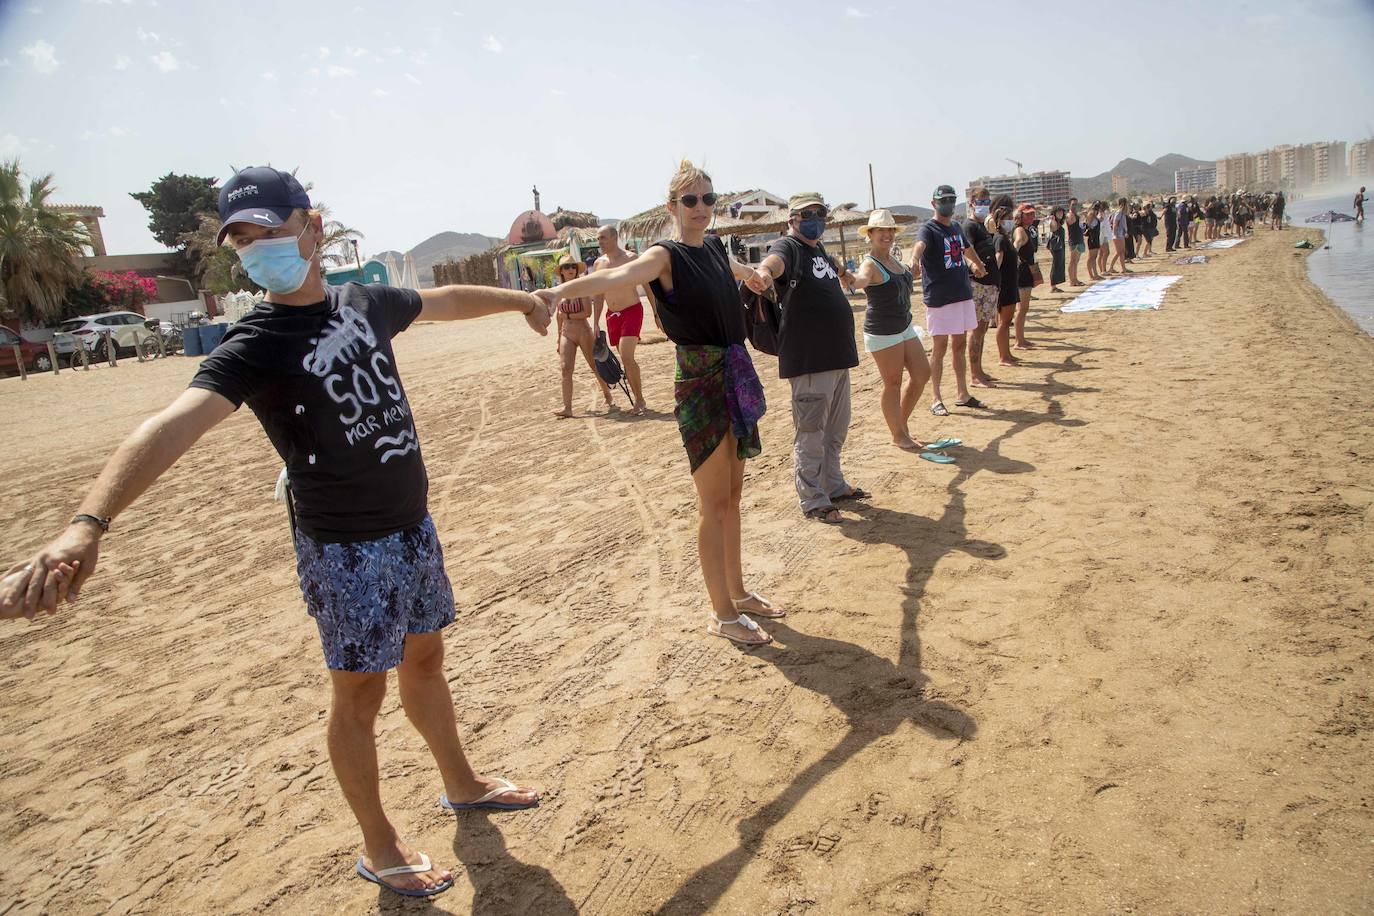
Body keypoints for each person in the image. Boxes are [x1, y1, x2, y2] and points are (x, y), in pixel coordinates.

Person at [0, 166, 547, 899]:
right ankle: (380, 846)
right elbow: (169, 425)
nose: (259, 250)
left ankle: (462, 782)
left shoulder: (365, 302)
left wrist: (525, 301)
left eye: (271, 232)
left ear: (313, 228)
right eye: (244, 241)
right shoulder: (257, 340)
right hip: (346, 550)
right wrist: (86, 525)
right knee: (358, 697)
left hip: (412, 526)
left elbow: (443, 300)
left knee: (427, 659)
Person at [539, 160, 778, 645]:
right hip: (700, 380)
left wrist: (753, 274)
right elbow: (617, 276)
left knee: (732, 496)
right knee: (713, 503)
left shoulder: (712, 245)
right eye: (690, 200)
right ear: (672, 206)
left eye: (708, 199)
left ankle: (738, 591)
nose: (701, 208)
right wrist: (559, 291)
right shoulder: (663, 255)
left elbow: (737, 269)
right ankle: (721, 613)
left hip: (732, 373)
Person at [752, 192, 865, 524]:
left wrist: (847, 275)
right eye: (807, 214)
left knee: (835, 429)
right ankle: (814, 498)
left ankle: (833, 483)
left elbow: (836, 269)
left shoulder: (819, 250)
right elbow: (773, 263)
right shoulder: (789, 247)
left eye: (820, 213)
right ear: (792, 220)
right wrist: (764, 275)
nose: (815, 218)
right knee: (812, 431)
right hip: (810, 358)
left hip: (836, 356)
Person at [848, 208, 943, 455]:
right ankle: (898, 434)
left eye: (890, 229)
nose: (887, 234)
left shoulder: (895, 260)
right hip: (882, 331)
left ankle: (899, 425)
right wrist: (847, 277)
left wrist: (914, 271)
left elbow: (905, 279)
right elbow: (860, 281)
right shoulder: (870, 263)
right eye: (880, 230)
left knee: (922, 373)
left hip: (903, 326)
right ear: (870, 234)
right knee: (892, 382)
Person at [910, 184, 989, 415]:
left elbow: (966, 248)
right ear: (934, 203)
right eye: (943, 200)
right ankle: (935, 398)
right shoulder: (929, 228)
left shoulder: (955, 226)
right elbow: (919, 246)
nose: (948, 204)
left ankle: (962, 394)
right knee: (939, 348)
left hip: (961, 294)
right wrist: (914, 260)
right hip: (940, 298)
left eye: (952, 200)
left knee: (960, 345)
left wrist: (977, 264)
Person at [591, 224, 657, 415]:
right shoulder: (598, 264)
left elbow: (648, 286)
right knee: (625, 358)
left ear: (614, 237)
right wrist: (595, 322)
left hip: (632, 311)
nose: (600, 242)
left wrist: (656, 312)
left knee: (627, 355)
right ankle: (639, 399)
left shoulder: (631, 259)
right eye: (598, 238)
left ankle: (640, 400)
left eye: (603, 237)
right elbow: (598, 295)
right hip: (612, 315)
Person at [552, 254, 615, 418]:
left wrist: (568, 316)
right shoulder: (559, 291)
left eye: (573, 266)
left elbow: (586, 312)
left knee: (594, 366)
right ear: (561, 272)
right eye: (566, 267)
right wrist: (559, 337)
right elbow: (559, 315)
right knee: (566, 369)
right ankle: (567, 408)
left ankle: (608, 395)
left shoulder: (582, 288)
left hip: (583, 331)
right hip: (566, 332)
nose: (570, 269)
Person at [962, 188, 1001, 387]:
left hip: (990, 284)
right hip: (977, 285)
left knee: (983, 329)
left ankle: (980, 371)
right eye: (981, 201)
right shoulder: (969, 226)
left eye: (987, 201)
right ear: (971, 203)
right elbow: (966, 252)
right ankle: (975, 375)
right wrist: (975, 266)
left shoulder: (985, 226)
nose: (985, 205)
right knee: (976, 331)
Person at [988, 198, 1021, 366]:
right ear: (1000, 221)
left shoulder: (1004, 238)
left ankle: (1007, 353)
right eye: (1007, 218)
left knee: (1007, 322)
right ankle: (1003, 356)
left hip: (1010, 284)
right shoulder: (1000, 239)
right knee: (1004, 322)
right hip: (1005, 286)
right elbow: (998, 260)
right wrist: (996, 283)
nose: (1010, 221)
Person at [1105, 198, 1130, 274]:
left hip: (1121, 234)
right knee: (1119, 252)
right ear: (1123, 204)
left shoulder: (1122, 213)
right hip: (1117, 235)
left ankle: (1123, 268)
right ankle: (1111, 267)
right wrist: (1115, 234)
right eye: (1126, 204)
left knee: (1122, 252)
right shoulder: (1118, 212)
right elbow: (1115, 224)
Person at [1046, 205, 1067, 292]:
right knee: (1056, 264)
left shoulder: (1059, 222)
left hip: (1060, 245)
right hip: (1056, 246)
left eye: (1061, 212)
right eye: (1058, 212)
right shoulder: (1054, 222)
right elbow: (1053, 228)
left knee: (1059, 264)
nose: (1060, 214)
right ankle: (1053, 286)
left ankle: (1054, 285)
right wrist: (1052, 219)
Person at [1066, 197, 1086, 285]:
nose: (1075, 206)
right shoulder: (1070, 215)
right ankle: (1072, 280)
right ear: (1069, 205)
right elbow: (1070, 223)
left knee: (1076, 261)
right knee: (1072, 260)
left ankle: (1075, 279)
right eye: (1073, 204)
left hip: (1079, 239)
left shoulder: (1076, 215)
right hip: (1073, 240)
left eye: (1076, 204)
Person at [1085, 202, 1104, 280]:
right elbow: (1088, 224)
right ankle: (1091, 275)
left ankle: (1095, 274)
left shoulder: (1095, 215)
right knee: (1091, 257)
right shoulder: (1091, 214)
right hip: (1092, 237)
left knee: (1094, 257)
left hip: (1096, 237)